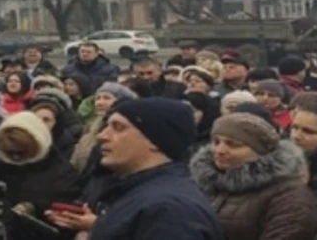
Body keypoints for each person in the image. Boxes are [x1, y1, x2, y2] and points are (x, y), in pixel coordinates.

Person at [88, 97, 224, 240]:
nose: (102, 136)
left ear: (155, 140)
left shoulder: (169, 211)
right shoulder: (140, 193)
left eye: (118, 127)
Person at [190, 113, 317, 240]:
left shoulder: (289, 198)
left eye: (233, 144)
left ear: (260, 151)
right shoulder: (207, 182)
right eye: (216, 142)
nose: (220, 150)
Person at [0, 111, 81, 237]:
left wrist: (34, 207)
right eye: (10, 153)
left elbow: (64, 215)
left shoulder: (62, 173)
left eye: (22, 152)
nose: (16, 158)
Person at [71, 82, 137, 172]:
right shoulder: (88, 131)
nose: (99, 103)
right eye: (97, 98)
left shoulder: (130, 132)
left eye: (107, 98)